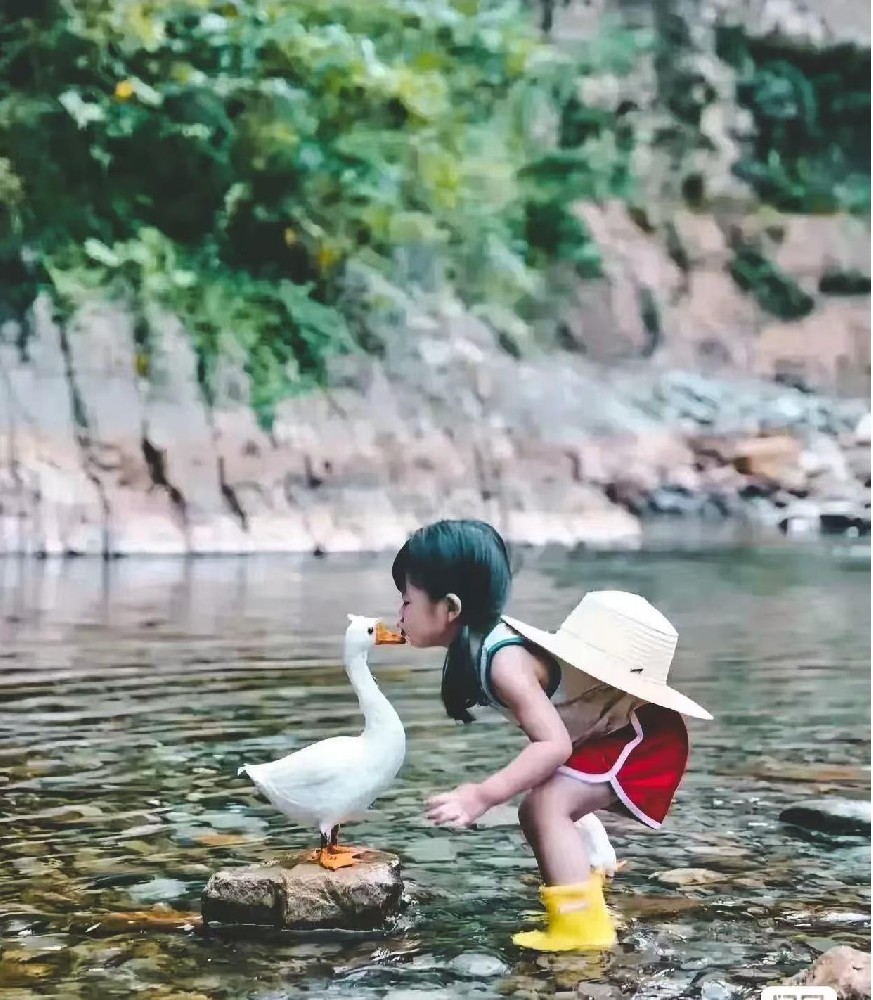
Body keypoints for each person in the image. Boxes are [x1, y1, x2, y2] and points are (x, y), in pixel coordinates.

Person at [392, 518, 712, 952]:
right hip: (609, 734)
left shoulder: (502, 661)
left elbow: (554, 745)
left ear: (449, 608)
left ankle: (583, 933)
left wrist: (483, 795)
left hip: (640, 733)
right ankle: (584, 889)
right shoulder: (480, 651)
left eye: (406, 600)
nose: (400, 614)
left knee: (543, 807)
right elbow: (554, 745)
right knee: (542, 804)